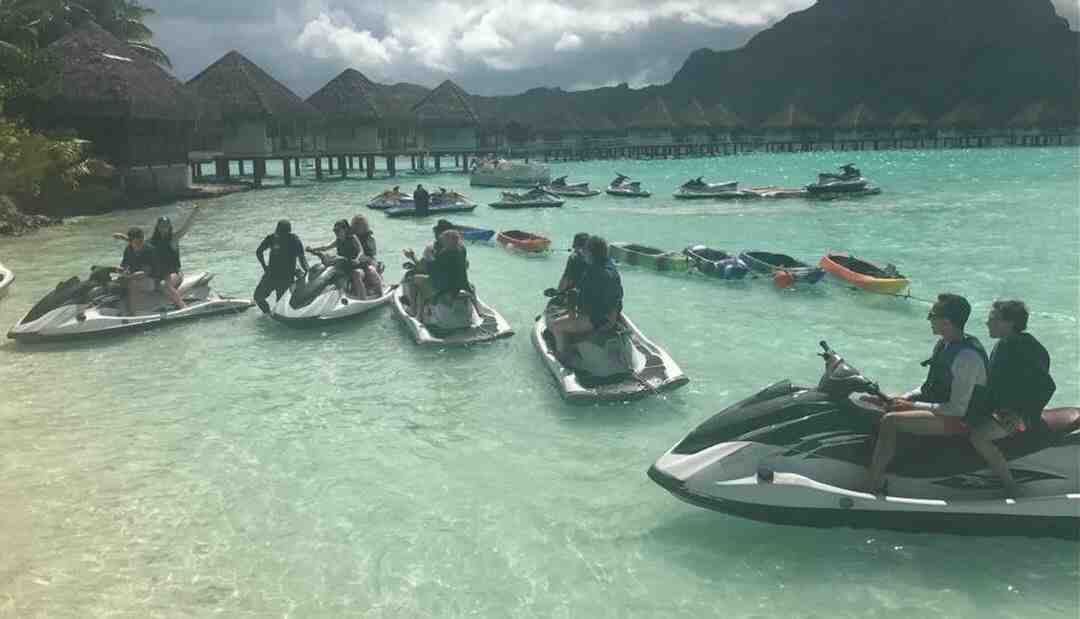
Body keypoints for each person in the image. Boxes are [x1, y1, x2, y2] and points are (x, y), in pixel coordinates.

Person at [863, 293, 989, 493]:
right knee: (879, 402)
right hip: (942, 408)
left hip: (962, 420)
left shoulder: (967, 357)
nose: (928, 319)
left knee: (890, 421)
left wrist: (911, 406)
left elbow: (957, 409)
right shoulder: (944, 343)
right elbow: (928, 386)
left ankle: (872, 485)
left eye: (932, 314)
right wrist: (902, 398)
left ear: (946, 321)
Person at [966, 300, 1055, 496]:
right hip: (1001, 410)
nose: (987, 323)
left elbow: (1047, 386)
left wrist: (1022, 415)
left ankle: (1010, 487)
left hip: (1018, 416)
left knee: (979, 437)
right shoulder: (1005, 344)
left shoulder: (1022, 347)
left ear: (1009, 323)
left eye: (992, 320)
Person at [549, 235, 623, 362]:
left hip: (597, 322)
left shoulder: (592, 273)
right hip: (612, 317)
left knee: (556, 325)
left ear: (590, 253)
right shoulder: (611, 267)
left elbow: (581, 309)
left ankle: (564, 356)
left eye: (585, 251)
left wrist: (569, 310)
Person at [115, 204, 199, 310]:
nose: (164, 228)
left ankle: (182, 306)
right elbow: (138, 244)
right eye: (161, 226)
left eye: (166, 226)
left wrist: (195, 212)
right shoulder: (152, 241)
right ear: (157, 227)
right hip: (159, 272)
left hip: (173, 272)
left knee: (163, 285)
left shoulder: (173, 239)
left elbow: (186, 227)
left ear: (170, 227)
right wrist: (124, 238)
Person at [407, 229, 471, 319]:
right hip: (460, 284)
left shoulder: (444, 254)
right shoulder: (462, 250)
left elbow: (427, 270)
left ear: (448, 241)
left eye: (444, 240)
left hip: (444, 287)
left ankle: (413, 309)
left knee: (413, 280)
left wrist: (413, 257)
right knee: (424, 282)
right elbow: (464, 265)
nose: (442, 242)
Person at [254, 220, 308, 313]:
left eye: (282, 233)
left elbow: (302, 259)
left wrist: (308, 272)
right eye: (278, 232)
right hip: (271, 275)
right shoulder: (272, 238)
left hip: (286, 277)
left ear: (288, 232)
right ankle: (268, 314)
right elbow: (259, 251)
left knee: (280, 304)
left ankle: (276, 317)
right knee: (258, 297)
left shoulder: (295, 240)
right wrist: (264, 267)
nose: (279, 235)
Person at [308, 219, 368, 298]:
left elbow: (361, 251)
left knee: (356, 274)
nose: (336, 233)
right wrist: (312, 249)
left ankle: (363, 298)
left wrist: (357, 259)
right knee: (328, 269)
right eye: (334, 231)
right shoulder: (338, 240)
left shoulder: (352, 238)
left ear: (345, 229)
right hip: (344, 265)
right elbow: (326, 247)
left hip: (356, 266)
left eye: (338, 230)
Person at [115, 227, 155, 315]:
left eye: (141, 241)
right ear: (131, 241)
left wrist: (130, 276)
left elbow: (146, 272)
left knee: (133, 283)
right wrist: (121, 270)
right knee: (116, 282)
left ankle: (133, 312)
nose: (139, 244)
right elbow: (124, 266)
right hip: (133, 277)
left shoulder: (149, 250)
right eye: (137, 242)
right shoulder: (128, 249)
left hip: (151, 280)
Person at [349, 215, 384, 295]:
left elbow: (372, 257)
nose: (358, 226)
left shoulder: (369, 239)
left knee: (371, 271)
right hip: (353, 264)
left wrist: (364, 259)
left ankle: (380, 292)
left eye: (360, 224)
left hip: (367, 264)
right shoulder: (349, 238)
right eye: (356, 224)